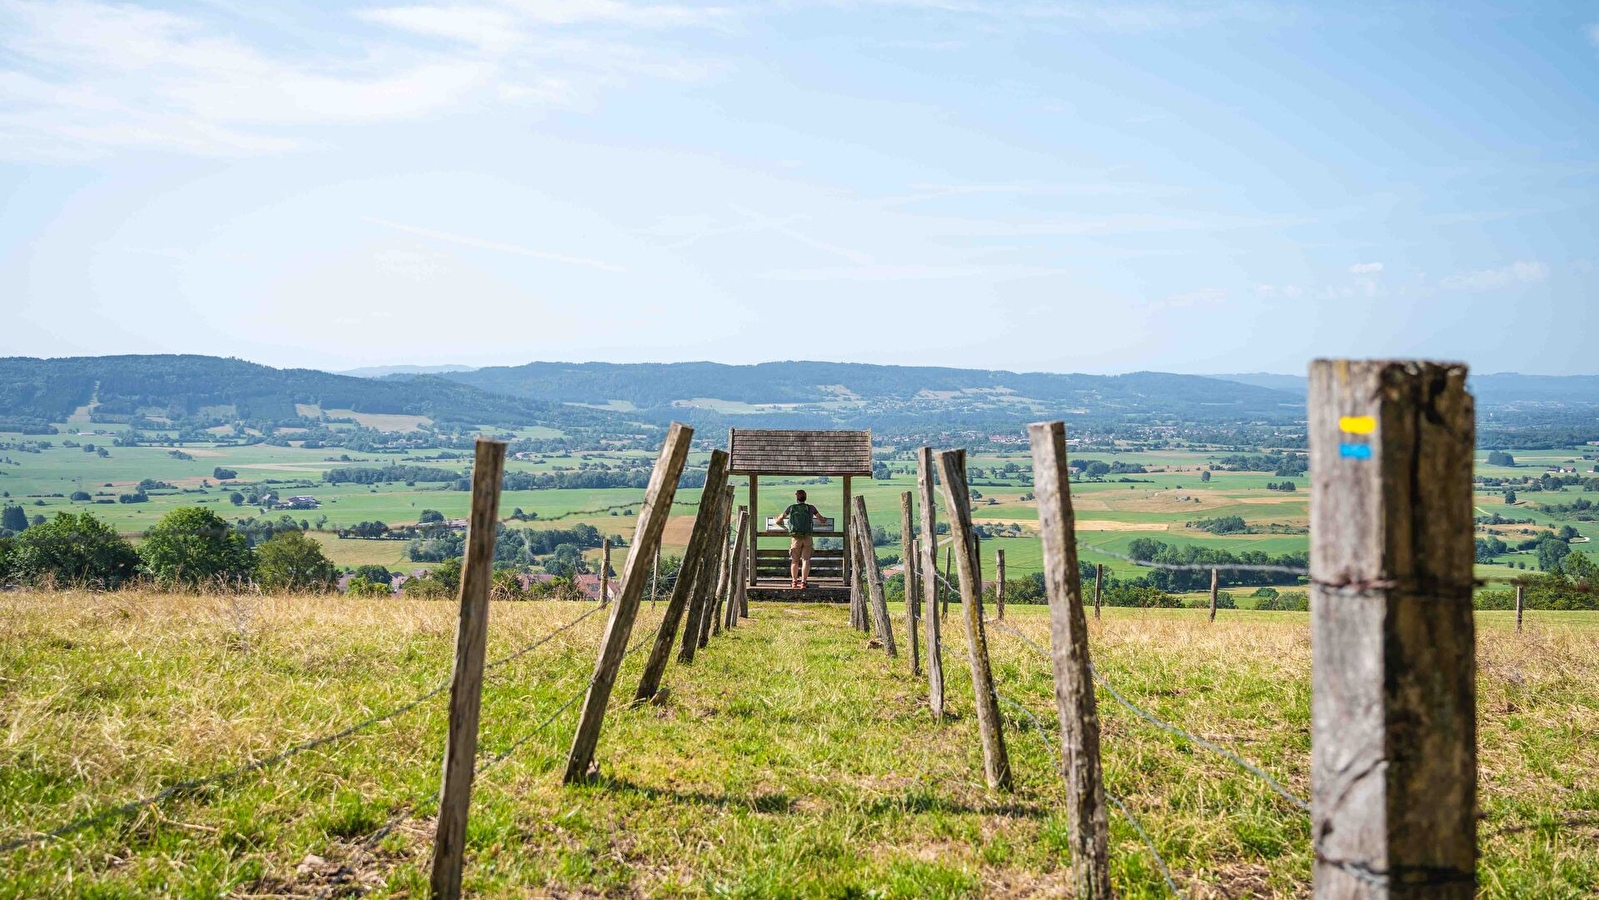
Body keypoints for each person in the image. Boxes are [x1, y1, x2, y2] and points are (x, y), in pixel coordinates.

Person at [775, 489, 821, 589]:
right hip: (807, 537)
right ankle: (803, 583)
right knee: (806, 560)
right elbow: (821, 519)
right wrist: (824, 520)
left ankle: (794, 582)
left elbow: (781, 518)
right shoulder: (811, 508)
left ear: (797, 498)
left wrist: (777, 520)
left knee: (795, 561)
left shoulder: (791, 508)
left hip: (795, 538)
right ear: (805, 497)